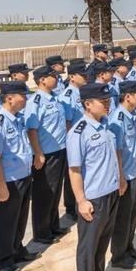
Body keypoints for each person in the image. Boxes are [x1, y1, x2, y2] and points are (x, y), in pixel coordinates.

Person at [66, 83, 120, 271]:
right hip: (94, 198)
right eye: (103, 101)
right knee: (88, 248)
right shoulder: (78, 133)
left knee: (102, 242)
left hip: (111, 192)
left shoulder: (106, 124)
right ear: (88, 104)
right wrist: (81, 201)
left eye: (109, 100)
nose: (108, 104)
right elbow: (74, 171)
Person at [0, 81, 38, 271]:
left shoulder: (17, 118)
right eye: (23, 95)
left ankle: (17, 249)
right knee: (5, 222)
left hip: (24, 175)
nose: (26, 98)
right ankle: (3, 260)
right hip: (9, 180)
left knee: (20, 219)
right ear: (9, 97)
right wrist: (1, 186)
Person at [25, 65, 69, 245]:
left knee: (55, 190)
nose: (56, 78)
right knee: (44, 193)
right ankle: (41, 232)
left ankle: (53, 225)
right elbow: (32, 130)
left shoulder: (55, 98)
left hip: (60, 149)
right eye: (52, 76)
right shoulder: (35, 101)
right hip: (46, 154)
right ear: (42, 79)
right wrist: (38, 153)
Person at [107, 81, 136, 269]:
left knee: (132, 216)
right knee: (123, 218)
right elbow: (117, 152)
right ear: (128, 96)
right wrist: (121, 177)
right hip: (126, 177)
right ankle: (118, 256)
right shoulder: (117, 119)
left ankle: (129, 247)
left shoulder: (132, 115)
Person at [59, 61, 89, 221]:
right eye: (82, 75)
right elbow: (68, 122)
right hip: (75, 139)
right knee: (73, 172)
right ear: (72, 77)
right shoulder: (68, 95)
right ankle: (71, 207)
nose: (85, 78)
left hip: (85, 137)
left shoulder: (81, 92)